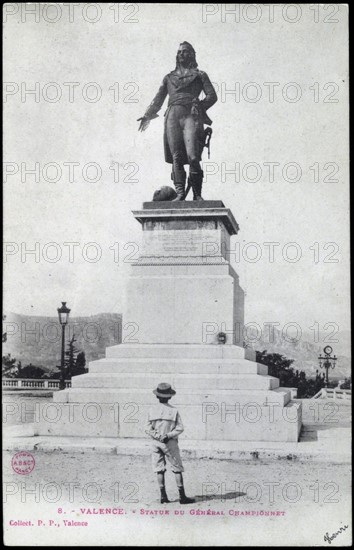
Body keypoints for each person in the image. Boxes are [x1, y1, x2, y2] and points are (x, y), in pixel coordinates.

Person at [137, 41, 217, 201]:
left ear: (192, 55)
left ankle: (197, 195)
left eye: (185, 51)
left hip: (191, 116)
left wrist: (199, 107)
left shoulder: (200, 75)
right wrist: (147, 115)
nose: (182, 54)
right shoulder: (169, 78)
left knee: (193, 156)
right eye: (179, 52)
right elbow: (158, 99)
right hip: (172, 114)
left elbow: (212, 96)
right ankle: (180, 193)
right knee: (177, 156)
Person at [145, 383, 194, 504]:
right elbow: (180, 428)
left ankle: (163, 497)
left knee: (159, 469)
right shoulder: (174, 411)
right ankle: (182, 497)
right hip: (170, 442)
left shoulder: (151, 410)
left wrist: (158, 436)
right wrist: (168, 435)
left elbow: (147, 428)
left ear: (157, 396)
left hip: (156, 442)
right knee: (177, 468)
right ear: (170, 397)